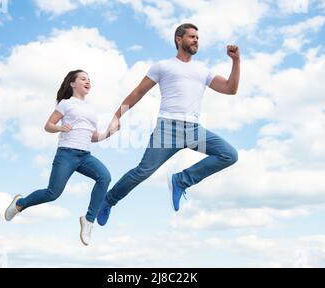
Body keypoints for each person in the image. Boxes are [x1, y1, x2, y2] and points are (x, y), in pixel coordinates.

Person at [97, 23, 240, 226]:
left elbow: (230, 88)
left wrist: (236, 61)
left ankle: (181, 180)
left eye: (197, 37)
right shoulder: (163, 66)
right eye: (192, 37)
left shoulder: (203, 71)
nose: (196, 40)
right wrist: (117, 116)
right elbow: (138, 92)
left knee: (229, 155)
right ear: (178, 39)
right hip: (167, 128)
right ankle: (108, 201)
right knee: (142, 172)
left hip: (193, 129)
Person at [4, 69, 113, 246]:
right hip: (66, 154)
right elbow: (48, 125)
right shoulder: (65, 103)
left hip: (85, 156)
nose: (88, 82)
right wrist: (60, 129)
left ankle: (88, 220)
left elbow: (93, 137)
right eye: (83, 79)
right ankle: (20, 204)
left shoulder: (92, 110)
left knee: (105, 177)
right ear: (72, 83)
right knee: (52, 193)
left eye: (89, 79)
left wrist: (109, 133)